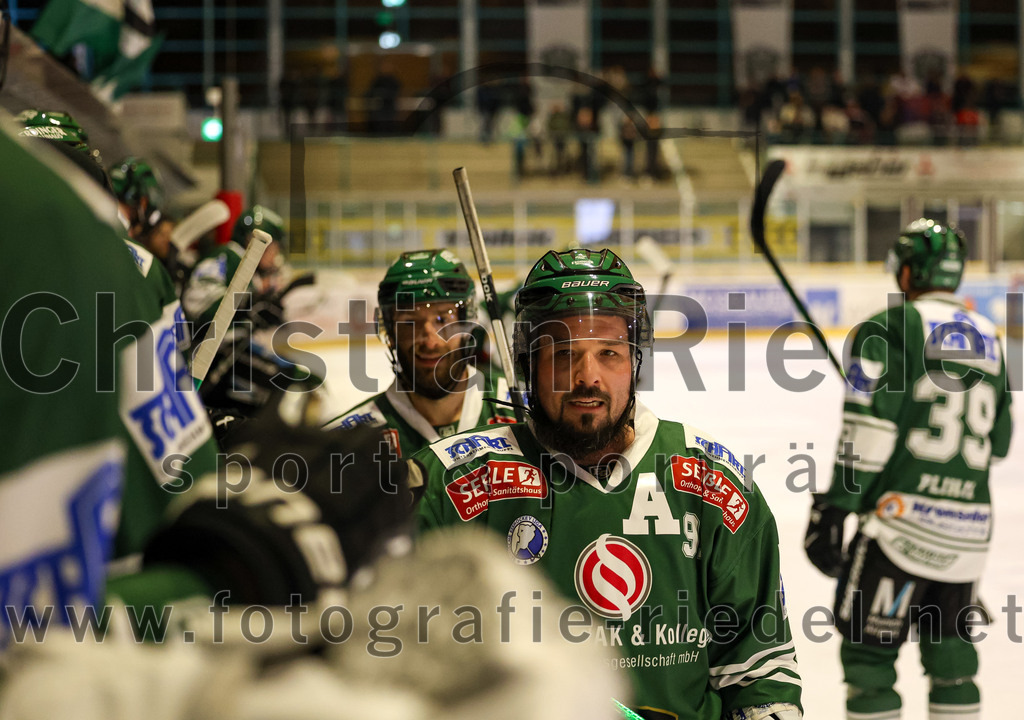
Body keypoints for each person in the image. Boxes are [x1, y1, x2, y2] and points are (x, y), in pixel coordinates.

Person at [416, 248, 803, 719]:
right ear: (529, 365)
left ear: (634, 362)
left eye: (609, 353)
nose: (588, 377)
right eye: (563, 354)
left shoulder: (710, 483)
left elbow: (759, 673)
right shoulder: (452, 486)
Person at [804, 219, 1013, 720]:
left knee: (868, 658)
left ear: (906, 273)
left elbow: (869, 429)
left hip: (899, 530)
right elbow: (1001, 443)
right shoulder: (988, 334)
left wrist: (836, 507)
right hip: (968, 533)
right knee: (952, 660)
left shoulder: (889, 326)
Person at [324, 249, 515, 459]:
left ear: (466, 324)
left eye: (442, 320)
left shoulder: (523, 410)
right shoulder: (346, 445)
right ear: (391, 332)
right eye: (409, 322)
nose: (431, 342)